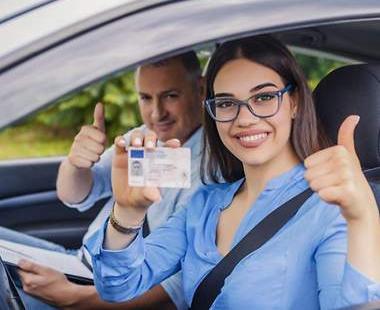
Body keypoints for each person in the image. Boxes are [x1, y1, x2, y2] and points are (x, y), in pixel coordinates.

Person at [86, 35, 380, 309]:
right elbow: (118, 287)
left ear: (294, 102)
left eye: (263, 98)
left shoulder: (331, 210)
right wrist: (127, 212)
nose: (244, 118)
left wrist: (363, 215)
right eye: (227, 103)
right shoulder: (203, 206)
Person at [9, 52, 205, 309]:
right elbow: (75, 194)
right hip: (78, 264)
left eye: (170, 96)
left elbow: (179, 287)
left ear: (200, 89)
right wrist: (76, 164)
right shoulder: (143, 136)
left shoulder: (212, 170)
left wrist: (73, 298)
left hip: (101, 296)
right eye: (145, 98)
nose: (157, 113)